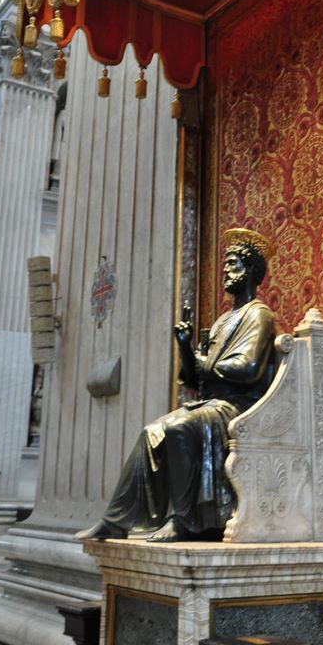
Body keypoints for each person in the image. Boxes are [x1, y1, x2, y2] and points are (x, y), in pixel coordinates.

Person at [76, 228, 275, 542]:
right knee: (151, 432)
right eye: (225, 263)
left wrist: (206, 364)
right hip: (211, 404)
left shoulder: (258, 315)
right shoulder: (224, 320)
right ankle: (116, 519)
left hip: (239, 408)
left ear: (252, 271)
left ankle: (181, 519)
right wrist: (185, 345)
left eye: (234, 263)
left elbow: (248, 368)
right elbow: (195, 379)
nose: (226, 269)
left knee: (178, 428)